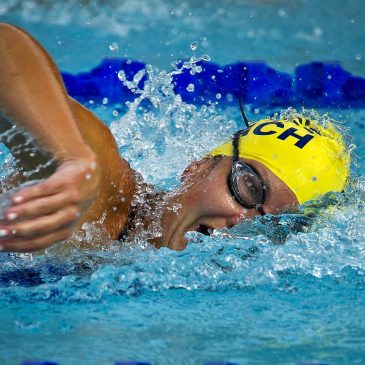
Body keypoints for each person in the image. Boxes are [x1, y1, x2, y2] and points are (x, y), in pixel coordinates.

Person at [0, 23, 350, 253]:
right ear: (197, 168)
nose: (242, 222)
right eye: (249, 188)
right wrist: (73, 157)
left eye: (273, 225)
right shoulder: (101, 191)